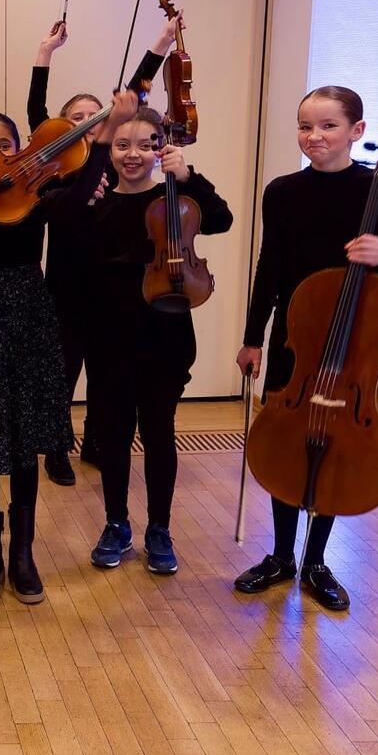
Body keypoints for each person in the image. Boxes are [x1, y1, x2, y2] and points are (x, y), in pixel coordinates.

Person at [0, 89, 138, 604]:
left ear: (21, 152)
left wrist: (101, 139)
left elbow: (81, 199)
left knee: (22, 446)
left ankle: (23, 554)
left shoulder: (41, 198)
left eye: (4, 143)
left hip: (30, 317)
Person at [233, 86, 378, 611]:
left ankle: (315, 560)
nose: (313, 136)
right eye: (305, 126)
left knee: (335, 442)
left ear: (357, 132)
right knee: (285, 437)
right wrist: (253, 337)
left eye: (327, 126)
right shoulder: (281, 191)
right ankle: (280, 555)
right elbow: (269, 269)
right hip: (297, 340)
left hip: (355, 347)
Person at [27, 14, 181, 485]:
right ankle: (55, 447)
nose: (88, 123)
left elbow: (134, 92)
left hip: (112, 287)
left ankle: (96, 439)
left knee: (106, 371)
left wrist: (158, 46)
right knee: (63, 369)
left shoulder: (119, 165)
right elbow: (37, 112)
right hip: (67, 284)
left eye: (97, 117)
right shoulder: (61, 167)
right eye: (77, 118)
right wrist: (44, 55)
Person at [78, 107, 232, 575]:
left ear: (160, 148)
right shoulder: (98, 204)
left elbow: (221, 219)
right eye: (122, 145)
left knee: (159, 431)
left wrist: (188, 176)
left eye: (146, 144)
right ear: (109, 150)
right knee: (113, 433)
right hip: (109, 333)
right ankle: (116, 523)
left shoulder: (176, 200)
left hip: (164, 330)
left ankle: (159, 528)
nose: (133, 154)